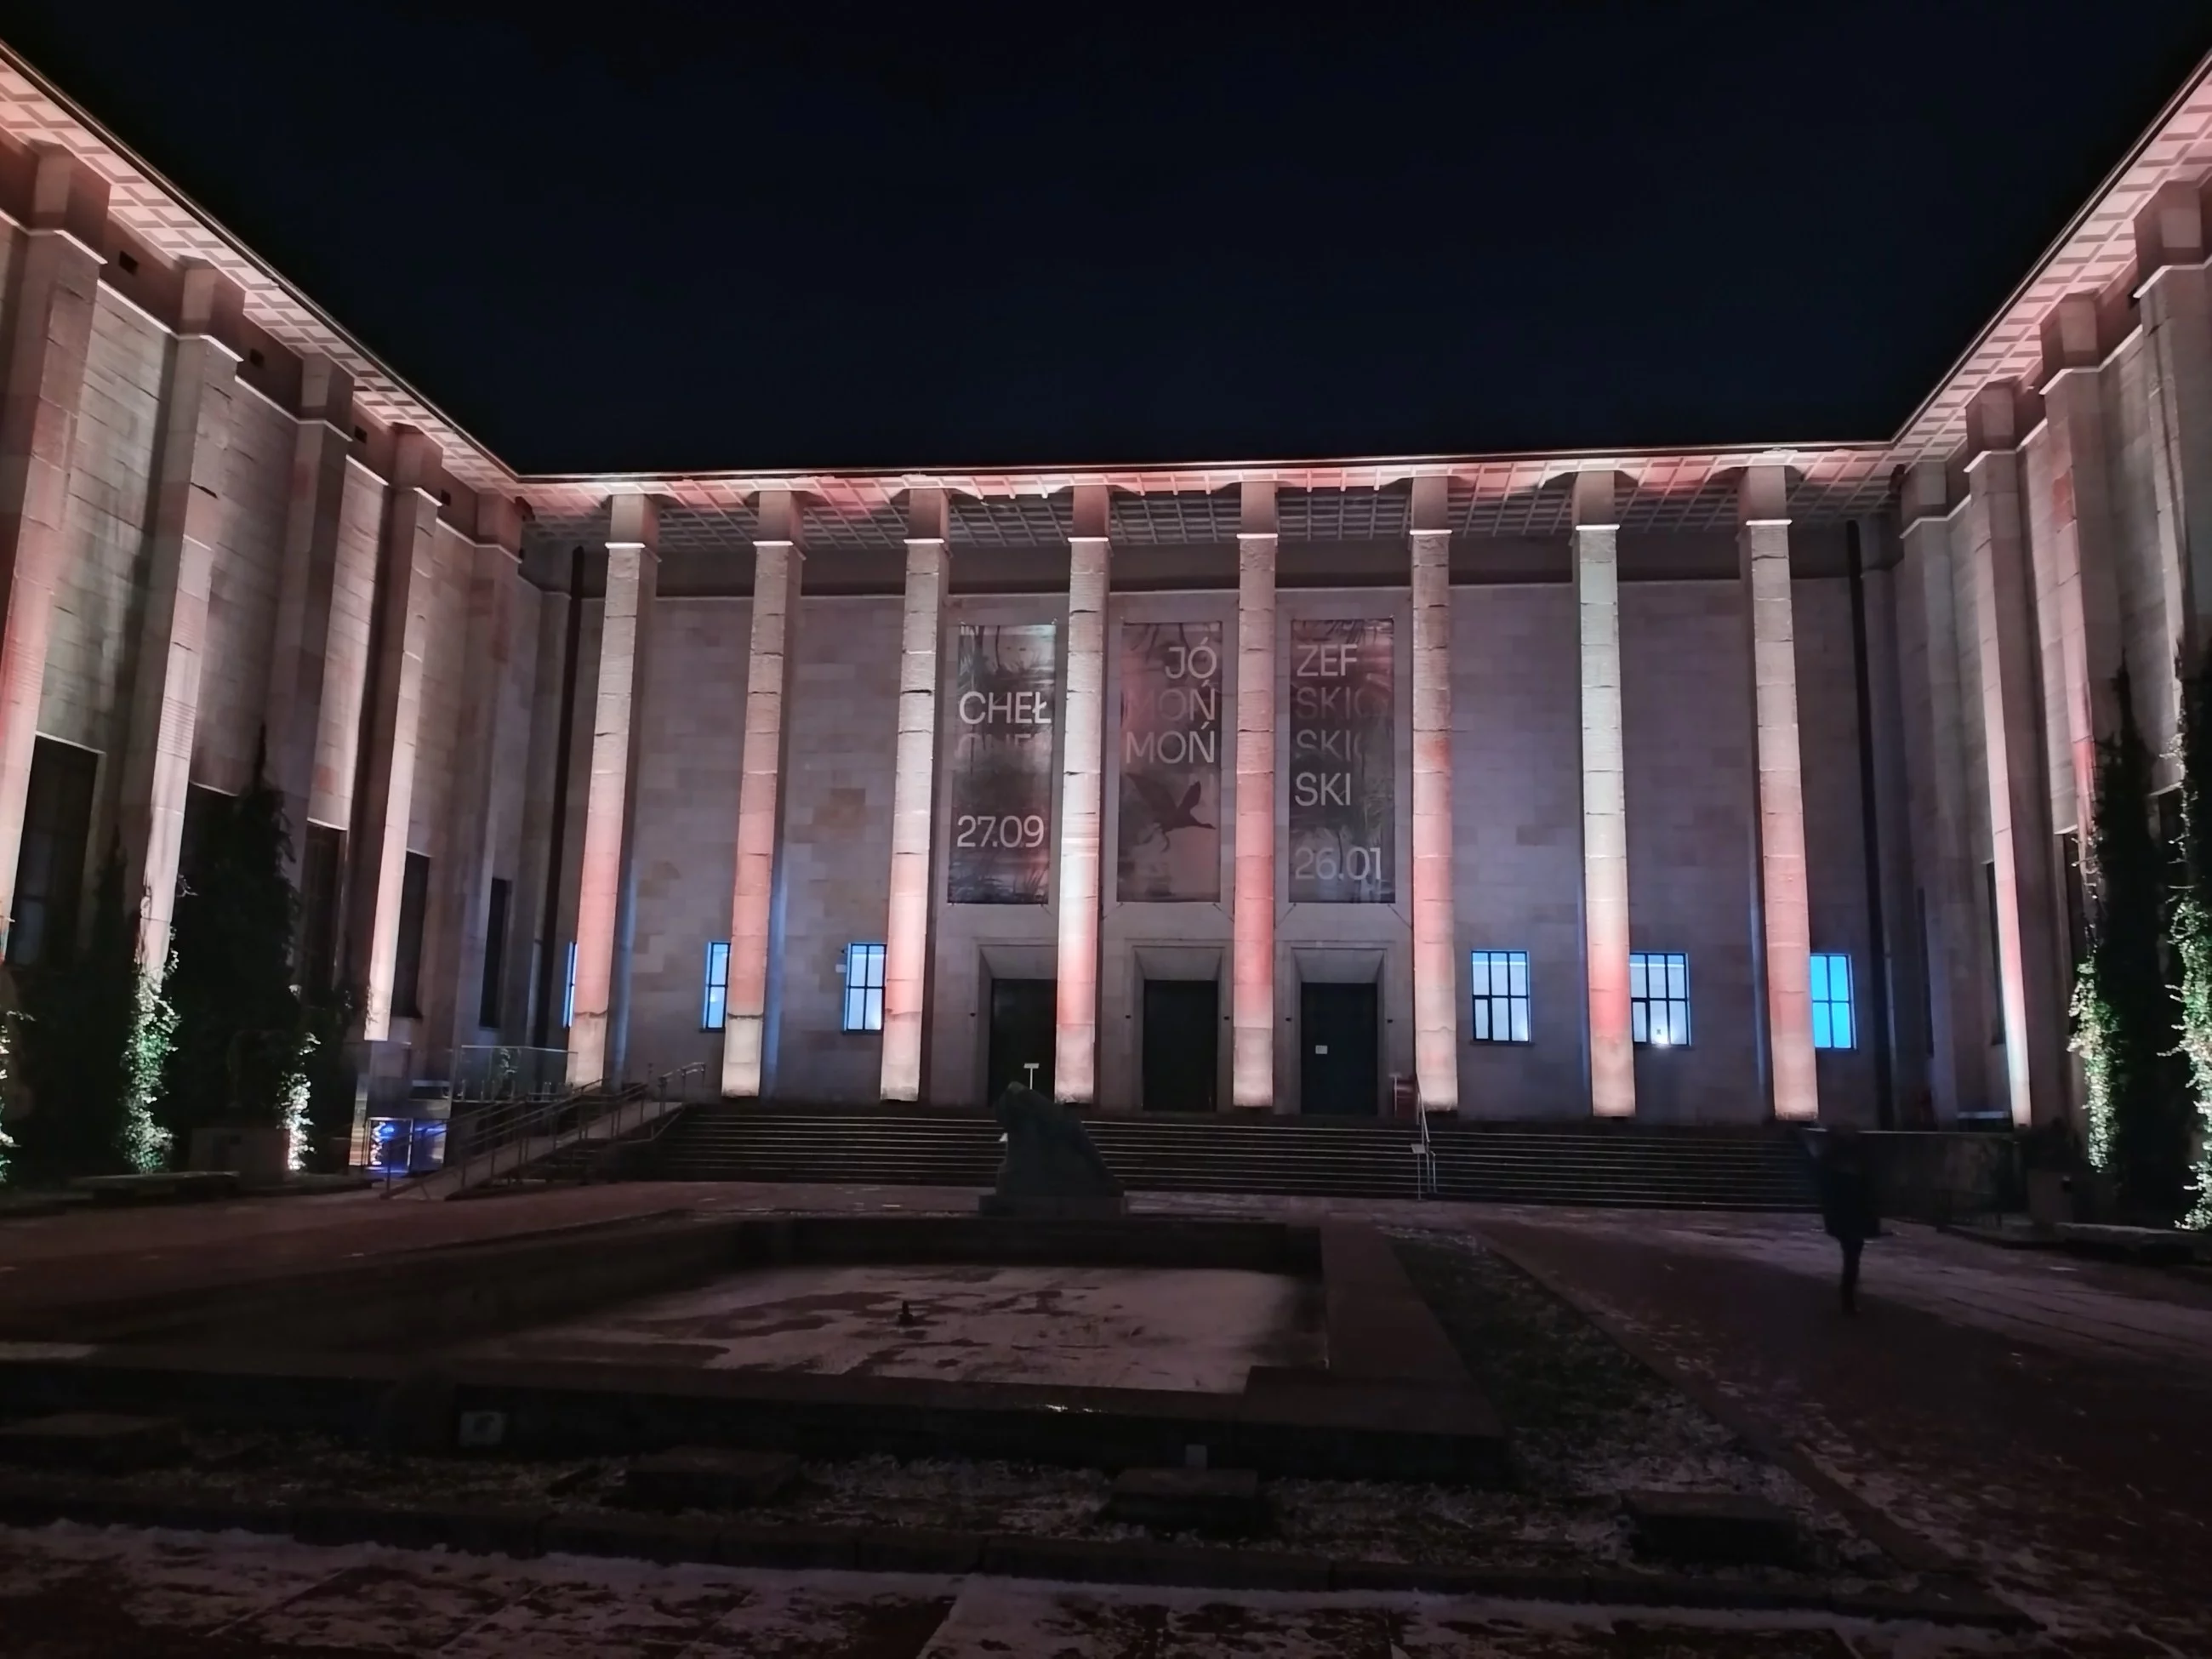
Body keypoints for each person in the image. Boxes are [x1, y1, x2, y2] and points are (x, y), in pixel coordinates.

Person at [1816, 1125, 1879, 1314]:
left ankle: (1848, 1299)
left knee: (1852, 1258)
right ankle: (1848, 1300)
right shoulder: (1850, 1167)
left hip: (1846, 1219)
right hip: (1849, 1219)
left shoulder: (1833, 1166)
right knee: (1852, 1258)